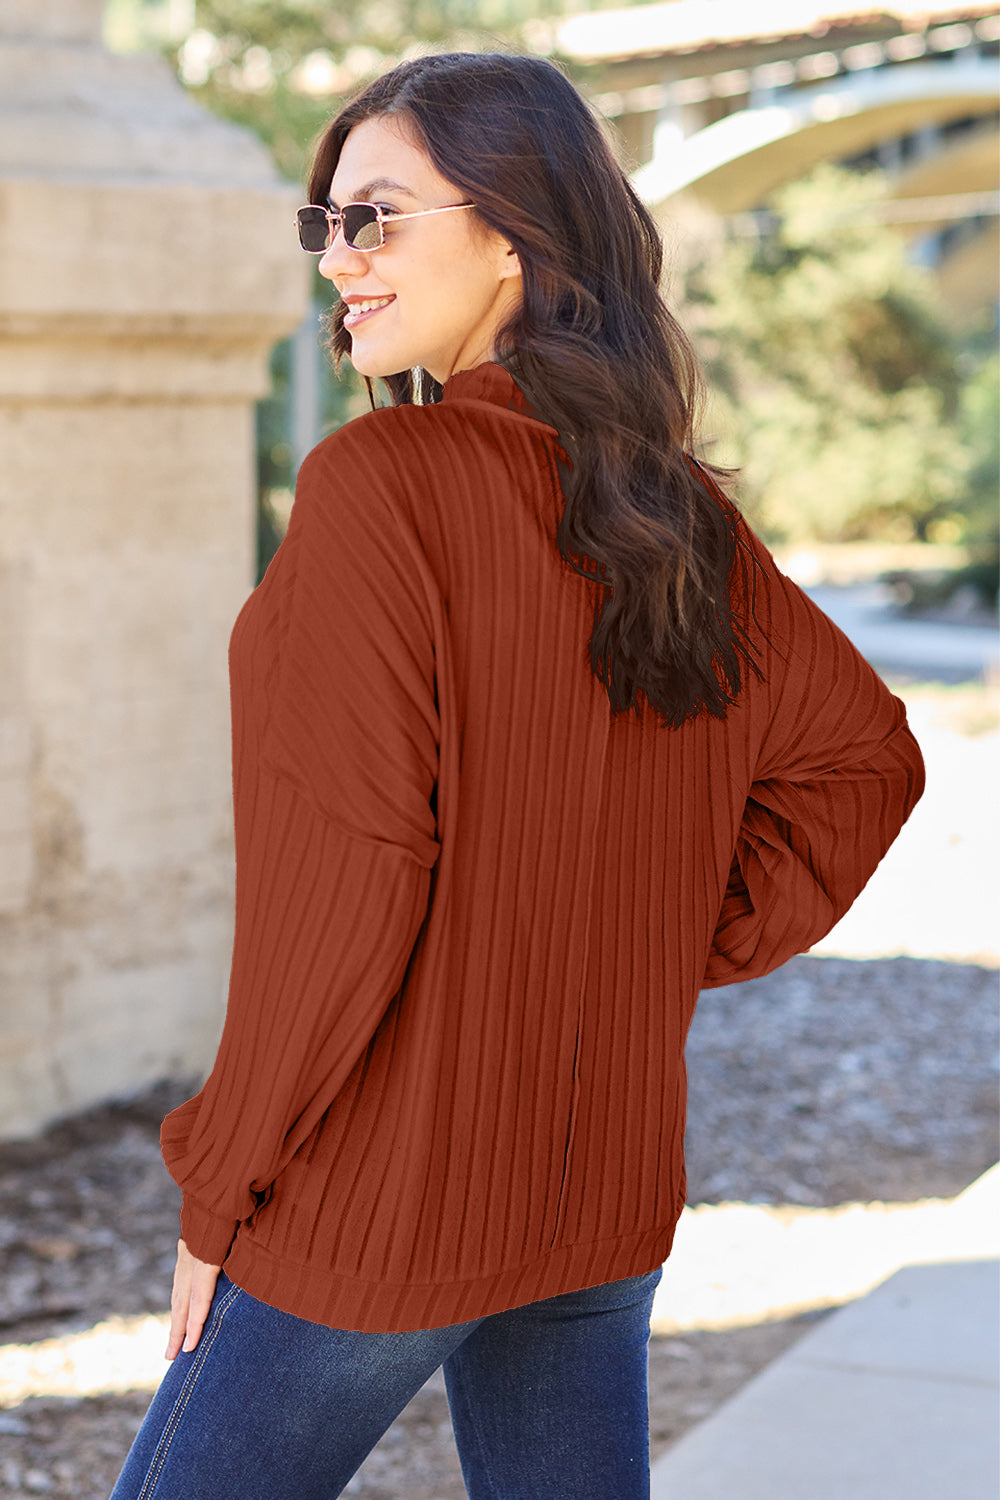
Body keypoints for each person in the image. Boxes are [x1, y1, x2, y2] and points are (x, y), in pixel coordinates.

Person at [109, 50, 924, 1500]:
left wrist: (220, 1184)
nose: (338, 256)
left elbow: (344, 884)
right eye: (328, 223)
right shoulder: (676, 520)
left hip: (389, 1203)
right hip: (596, 1192)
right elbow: (863, 763)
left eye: (377, 216)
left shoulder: (382, 491)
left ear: (509, 234)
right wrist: (641, 944)